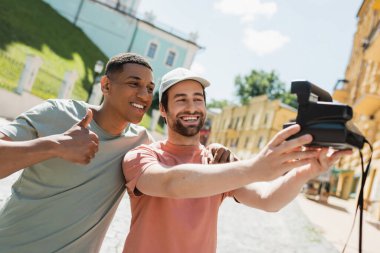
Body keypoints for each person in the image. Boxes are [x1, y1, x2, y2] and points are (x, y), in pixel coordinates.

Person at [122, 67, 352, 253]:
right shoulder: (141, 157)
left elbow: (268, 200)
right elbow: (172, 184)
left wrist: (307, 170)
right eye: (181, 100)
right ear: (163, 109)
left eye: (198, 99)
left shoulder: (218, 162)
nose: (192, 107)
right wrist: (255, 167)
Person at [0, 53, 156, 253]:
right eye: (134, 84)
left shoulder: (141, 143)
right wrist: (55, 145)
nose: (144, 95)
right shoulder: (57, 113)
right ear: (106, 85)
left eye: (150, 88)